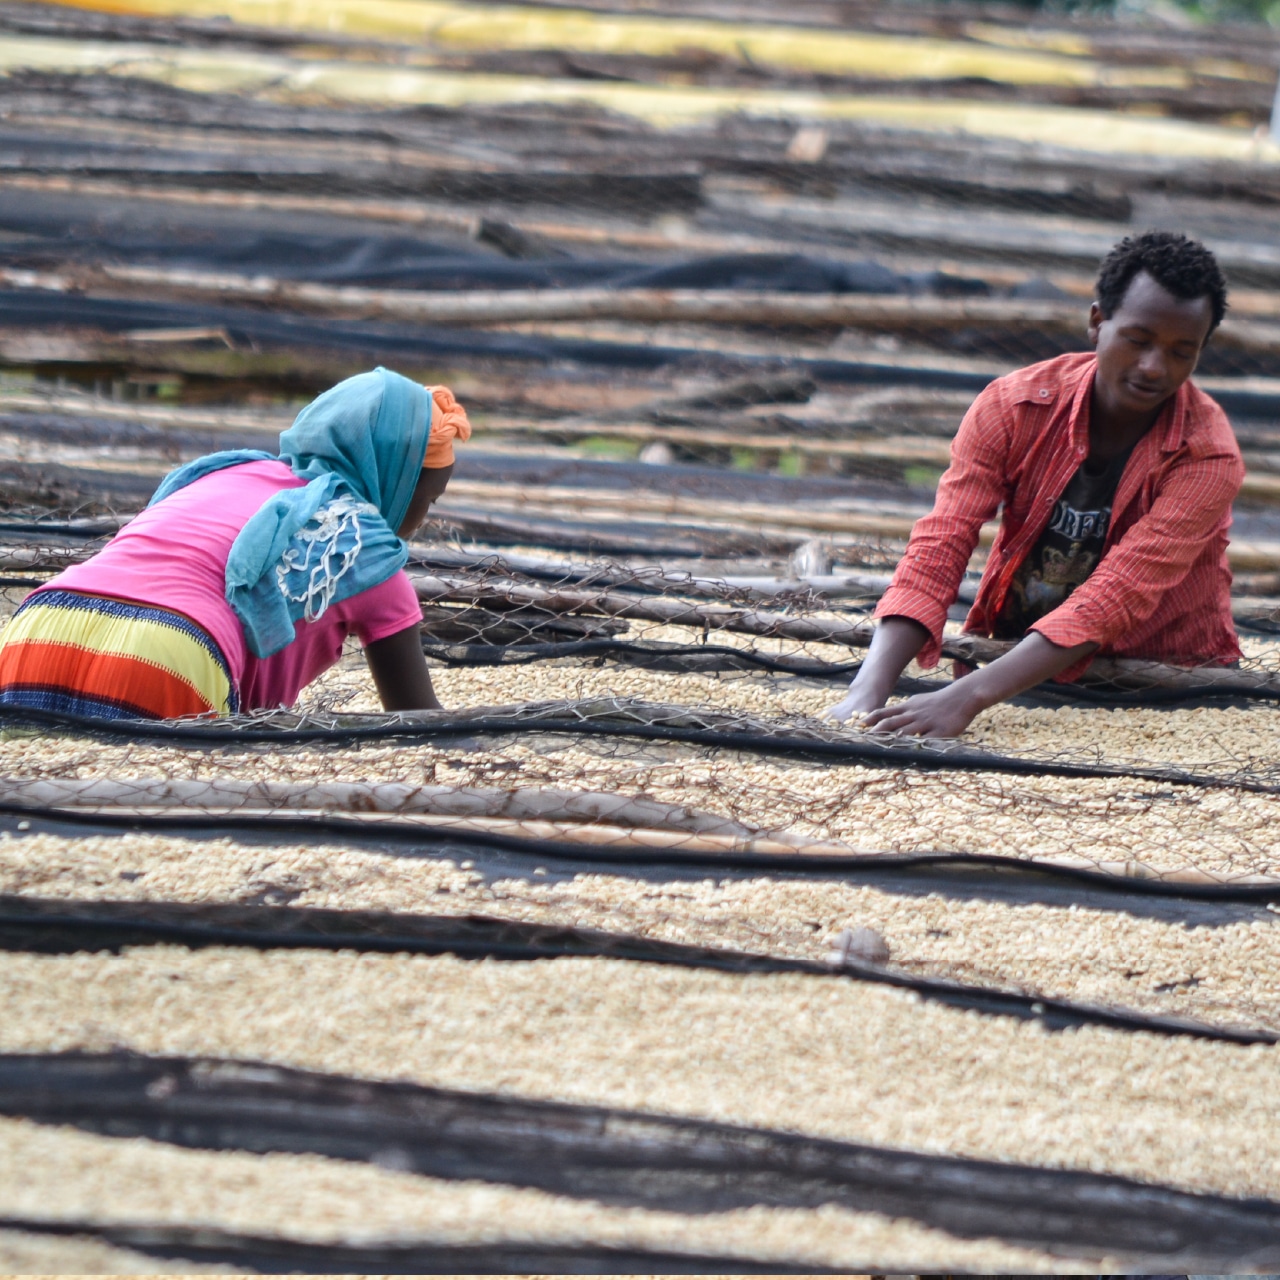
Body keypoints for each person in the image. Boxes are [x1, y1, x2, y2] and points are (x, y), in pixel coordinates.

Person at [827, 230, 1242, 738]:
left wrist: (966, 697)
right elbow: (942, 542)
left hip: (1168, 685)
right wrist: (867, 690)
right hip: (1020, 667)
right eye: (1137, 340)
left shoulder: (1207, 453)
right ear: (1097, 322)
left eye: (1182, 351)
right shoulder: (1015, 407)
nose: (1155, 367)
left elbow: (1120, 593)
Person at [0, 366, 470, 719]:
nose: (425, 517)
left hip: (35, 627)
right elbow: (419, 726)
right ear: (395, 480)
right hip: (171, 649)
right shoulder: (364, 547)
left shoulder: (228, 470)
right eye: (426, 498)